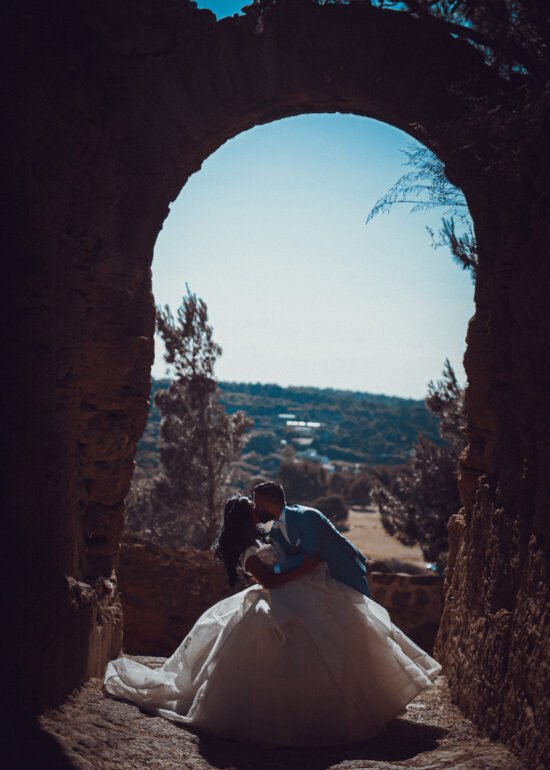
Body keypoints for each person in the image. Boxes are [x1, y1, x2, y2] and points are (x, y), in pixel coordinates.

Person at [104, 496, 441, 747]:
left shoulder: (261, 541)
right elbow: (272, 581)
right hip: (277, 602)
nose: (259, 514)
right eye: (253, 512)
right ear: (243, 520)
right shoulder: (249, 555)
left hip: (297, 598)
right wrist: (308, 567)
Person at [252, 480, 371, 597]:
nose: (255, 509)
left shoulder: (307, 516)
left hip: (345, 571)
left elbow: (310, 556)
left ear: (269, 504)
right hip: (321, 581)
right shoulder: (275, 531)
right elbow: (288, 557)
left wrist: (276, 569)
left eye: (256, 505)